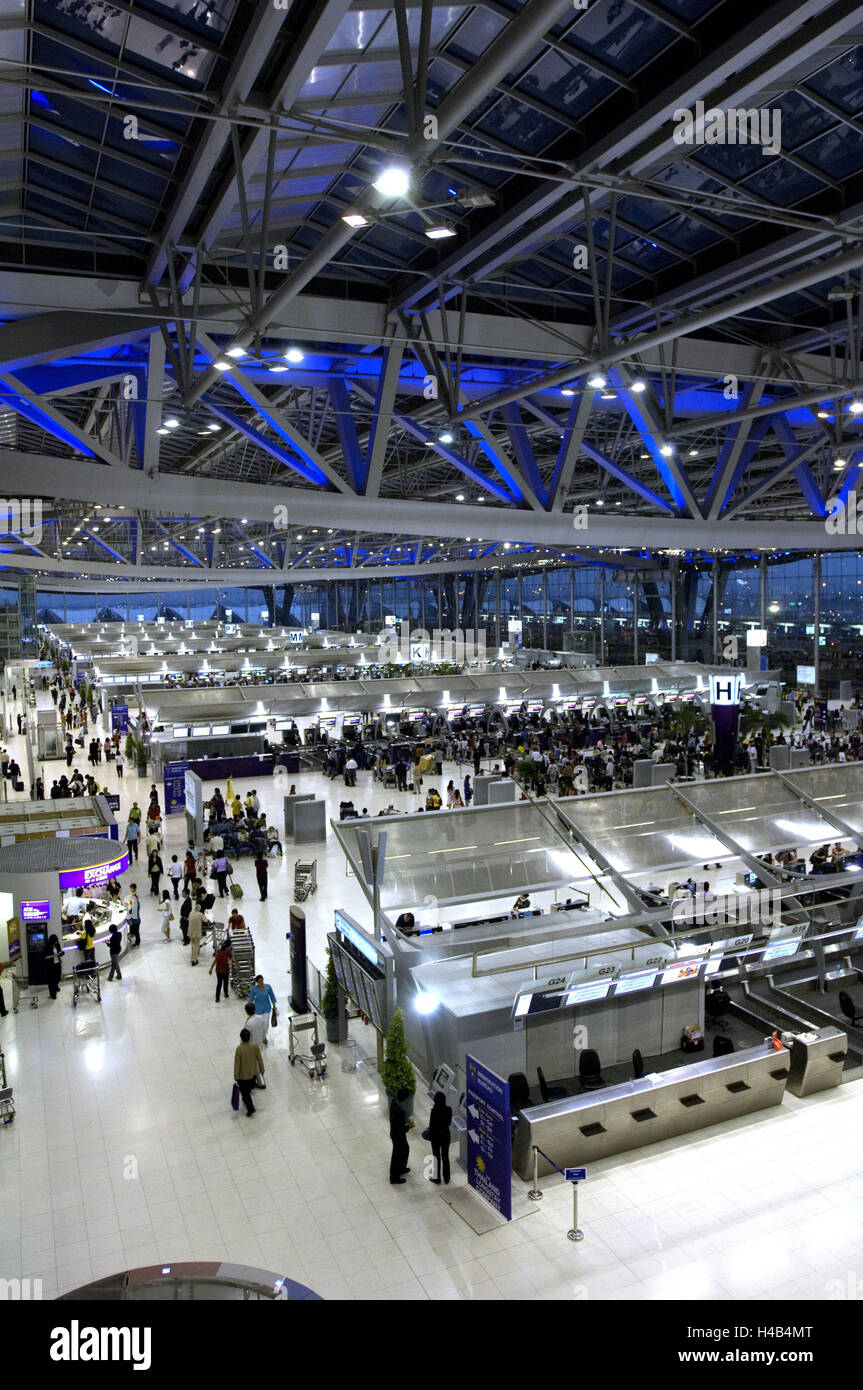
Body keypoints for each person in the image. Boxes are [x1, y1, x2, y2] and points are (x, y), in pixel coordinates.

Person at [233, 1028, 264, 1117]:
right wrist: (262, 1070)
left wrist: (236, 1075)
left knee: (245, 1092)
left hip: (243, 1076)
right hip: (253, 1073)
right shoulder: (255, 1046)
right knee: (248, 1088)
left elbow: (237, 1064)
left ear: (241, 1038)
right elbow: (260, 1059)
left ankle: (250, 1108)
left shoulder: (239, 1049)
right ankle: (246, 1098)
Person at [427, 1090, 452, 1184]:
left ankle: (437, 1178)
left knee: (436, 1156)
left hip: (436, 1136)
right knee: (445, 1156)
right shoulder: (449, 1109)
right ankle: (447, 1177)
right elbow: (449, 1123)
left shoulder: (434, 1111)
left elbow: (431, 1124)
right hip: (445, 1135)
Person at [389, 1088, 411, 1184]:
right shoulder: (399, 1111)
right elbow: (400, 1127)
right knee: (397, 1154)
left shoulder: (394, 1102)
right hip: (398, 1134)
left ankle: (401, 1168)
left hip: (395, 1133)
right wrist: (408, 1127)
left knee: (405, 1149)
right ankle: (394, 1176)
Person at [247, 974, 277, 1044]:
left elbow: (272, 996)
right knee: (260, 1024)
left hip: (267, 1008)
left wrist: (274, 1005)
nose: (261, 982)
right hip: (257, 1010)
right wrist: (249, 1009)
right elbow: (250, 999)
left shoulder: (268, 987)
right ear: (257, 982)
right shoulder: (254, 989)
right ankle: (260, 1035)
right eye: (259, 981)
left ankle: (264, 1037)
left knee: (266, 1024)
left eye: (262, 980)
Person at [242, 1001, 267, 1084]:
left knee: (254, 1063)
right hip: (260, 1043)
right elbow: (264, 1030)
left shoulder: (249, 1023)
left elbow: (246, 1036)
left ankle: (260, 1081)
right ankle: (258, 1077)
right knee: (258, 1059)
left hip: (252, 1046)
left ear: (246, 1012)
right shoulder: (261, 1018)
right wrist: (263, 1038)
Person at [44, 934, 63, 999]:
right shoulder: (47, 946)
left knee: (58, 977)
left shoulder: (57, 944)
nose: (56, 942)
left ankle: (55, 985)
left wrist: (60, 954)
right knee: (51, 980)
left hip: (57, 963)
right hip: (50, 965)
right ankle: (53, 994)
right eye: (55, 941)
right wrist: (54, 955)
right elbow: (45, 957)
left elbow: (59, 951)